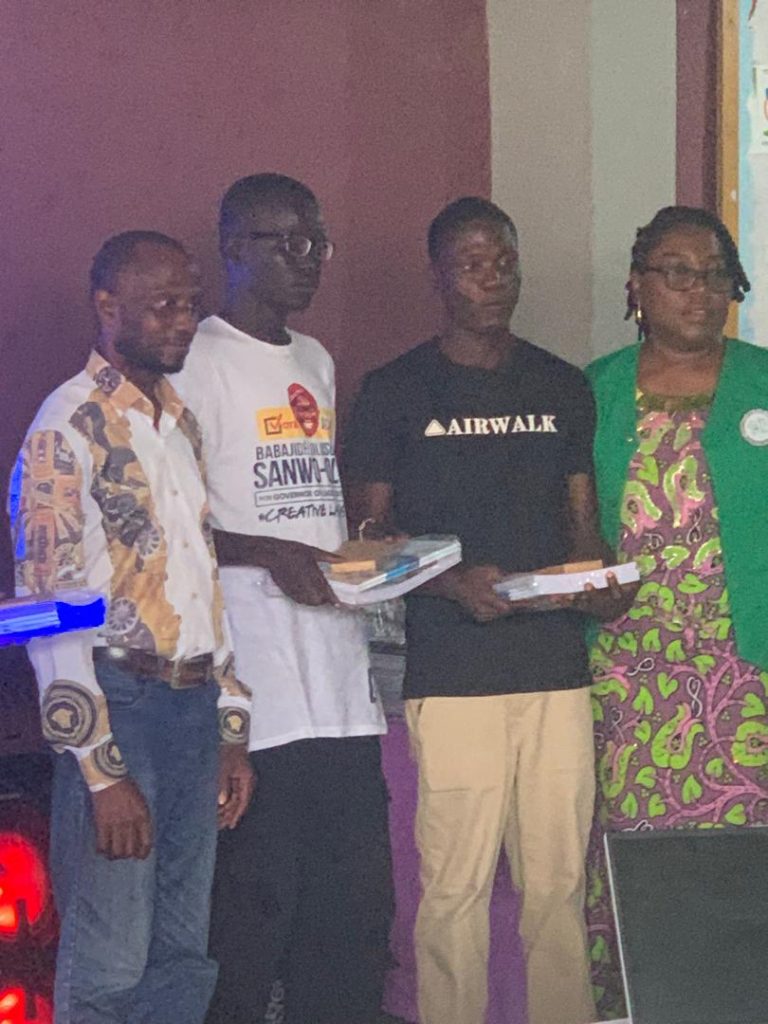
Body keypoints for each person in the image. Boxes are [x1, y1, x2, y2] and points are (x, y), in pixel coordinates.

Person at [343, 196, 632, 1024]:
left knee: (558, 888)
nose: (493, 278)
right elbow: (364, 547)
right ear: (439, 277)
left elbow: (583, 533)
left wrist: (601, 584)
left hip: (555, 672)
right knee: (454, 892)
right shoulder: (396, 391)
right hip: (453, 675)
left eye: (504, 260)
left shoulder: (561, 386)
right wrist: (449, 582)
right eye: (472, 264)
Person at [8, 231, 254, 1024]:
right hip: (120, 705)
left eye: (191, 303)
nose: (183, 321)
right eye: (162, 305)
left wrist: (231, 725)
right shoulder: (66, 429)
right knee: (111, 961)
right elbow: (46, 614)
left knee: (182, 953)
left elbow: (200, 582)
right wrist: (101, 770)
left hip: (191, 708)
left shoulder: (178, 423)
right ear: (107, 308)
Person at [172, 173, 392, 1024]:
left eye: (317, 244)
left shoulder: (315, 360)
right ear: (234, 249)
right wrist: (267, 553)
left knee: (350, 922)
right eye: (288, 243)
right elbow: (168, 531)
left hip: (338, 686)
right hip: (254, 698)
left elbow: (310, 506)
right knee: (252, 920)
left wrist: (369, 557)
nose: (310, 261)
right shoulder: (193, 360)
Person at [584, 204, 768, 1018]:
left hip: (748, 672)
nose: (700, 290)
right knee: (633, 854)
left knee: (744, 854)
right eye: (678, 273)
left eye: (717, 274)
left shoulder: (764, 380)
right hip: (625, 676)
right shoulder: (591, 391)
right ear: (637, 285)